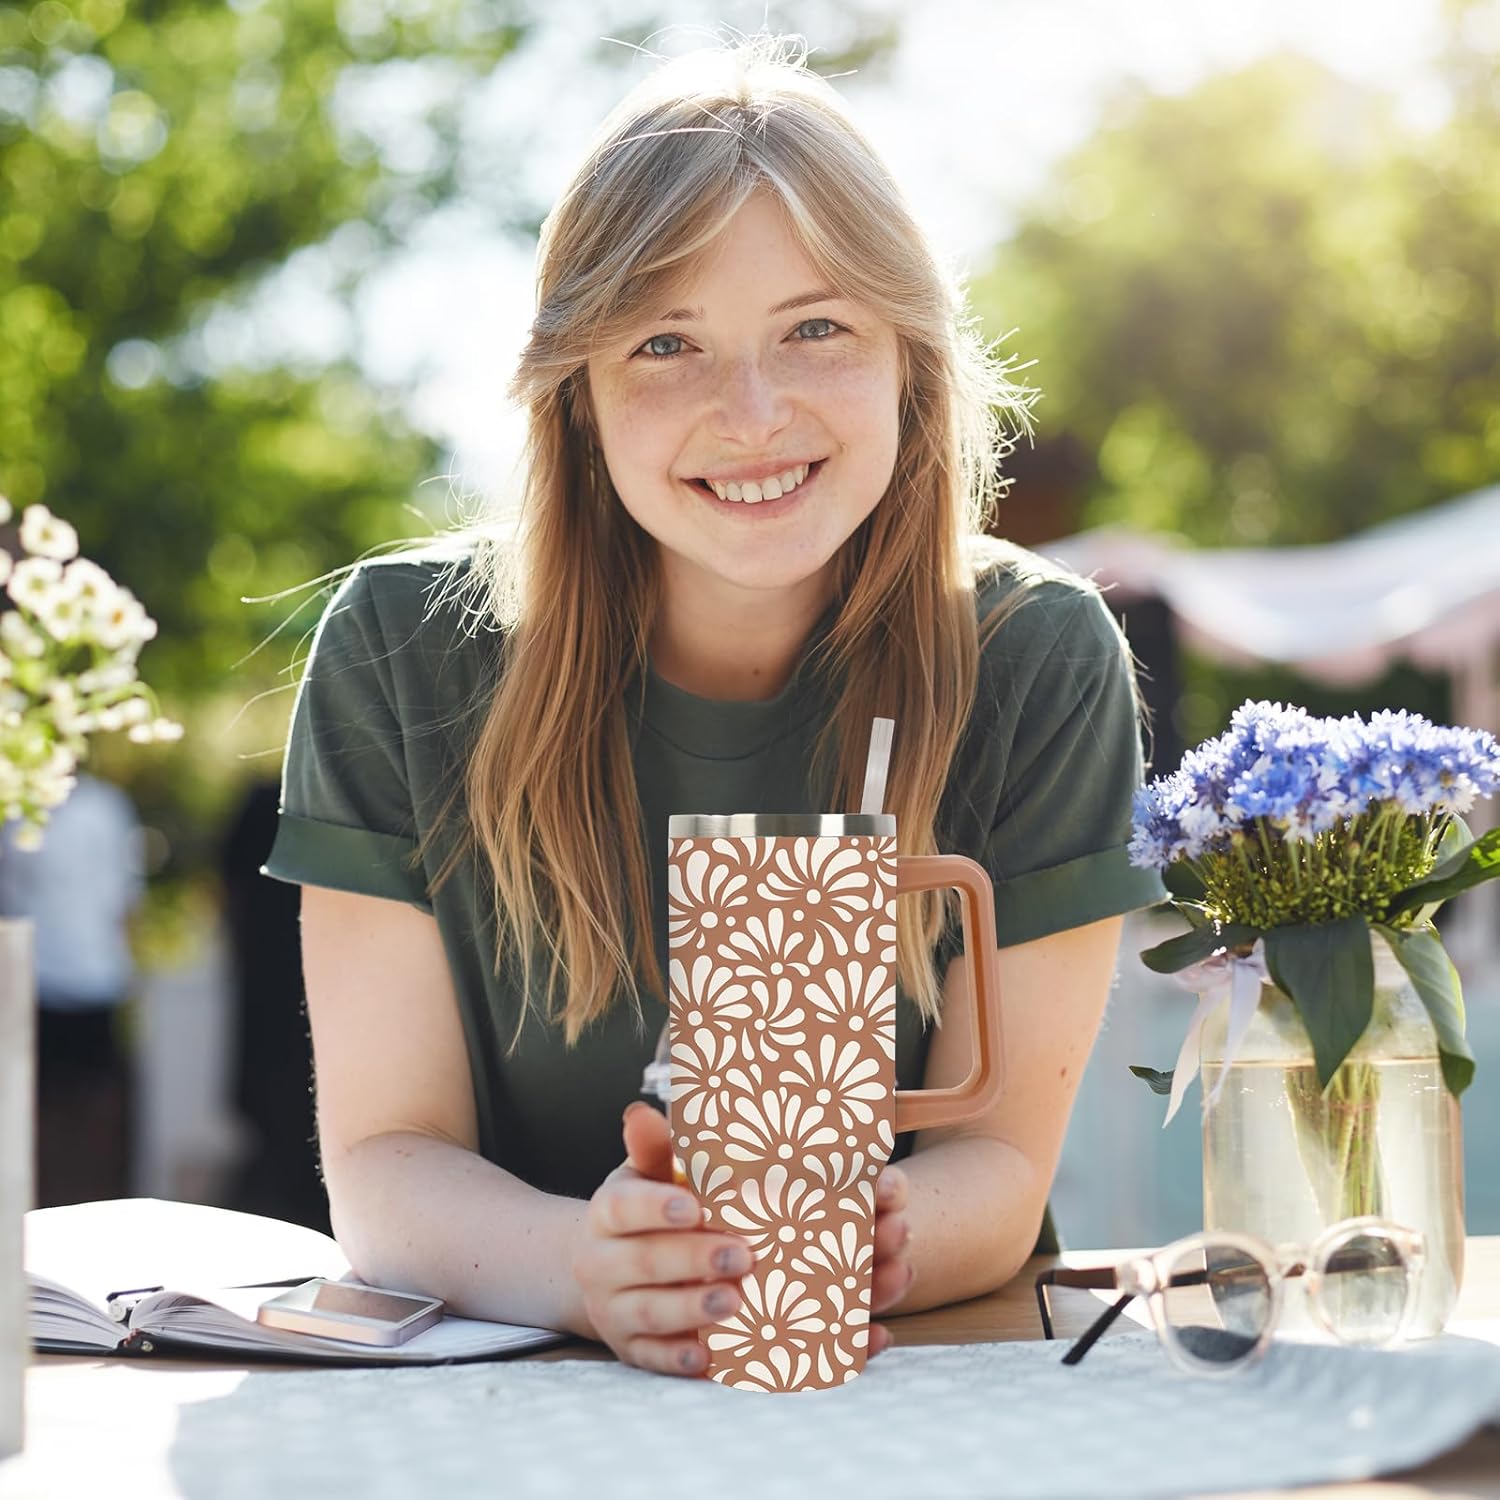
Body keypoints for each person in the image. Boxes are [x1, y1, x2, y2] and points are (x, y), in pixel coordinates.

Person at [262, 32, 1167, 1380]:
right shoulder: (404, 653)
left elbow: (998, 1167)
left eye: (817, 328)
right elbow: (388, 1165)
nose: (752, 414)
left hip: (895, 1393)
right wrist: (589, 1268)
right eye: (667, 342)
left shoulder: (1035, 658)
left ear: (910, 358)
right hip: (503, 1417)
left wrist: (877, 1232)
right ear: (576, 395)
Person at [0, 771, 144, 1206]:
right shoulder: (15, 806)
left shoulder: (108, 806)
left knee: (95, 1117)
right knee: (35, 1117)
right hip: (35, 985)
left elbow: (125, 899)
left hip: (96, 982)